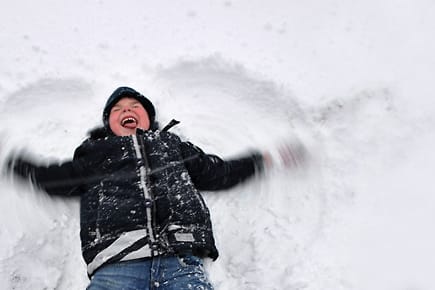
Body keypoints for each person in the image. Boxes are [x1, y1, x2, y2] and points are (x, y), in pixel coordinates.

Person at [5, 87, 272, 290]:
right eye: (118, 109)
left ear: (149, 118)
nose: (126, 111)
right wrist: (21, 166)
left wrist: (259, 161)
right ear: (108, 123)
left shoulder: (170, 145)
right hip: (116, 262)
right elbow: (59, 179)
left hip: (179, 257)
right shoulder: (96, 153)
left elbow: (217, 172)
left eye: (135, 106)